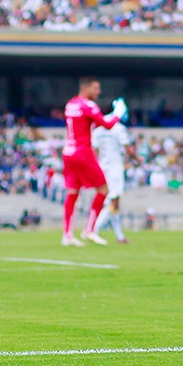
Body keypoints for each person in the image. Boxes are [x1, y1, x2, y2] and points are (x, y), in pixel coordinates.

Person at [61, 77, 126, 247]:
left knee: (72, 192)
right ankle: (89, 229)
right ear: (87, 88)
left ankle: (67, 234)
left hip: (68, 152)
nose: (98, 92)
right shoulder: (88, 105)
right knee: (104, 189)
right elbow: (107, 124)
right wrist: (118, 114)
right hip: (83, 152)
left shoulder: (71, 104)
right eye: (96, 88)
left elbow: (87, 125)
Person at [92, 117, 135, 244]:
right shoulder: (118, 129)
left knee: (113, 203)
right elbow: (128, 149)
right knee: (114, 202)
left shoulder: (97, 131)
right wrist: (138, 158)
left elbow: (95, 151)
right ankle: (93, 230)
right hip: (114, 169)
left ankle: (119, 236)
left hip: (102, 168)